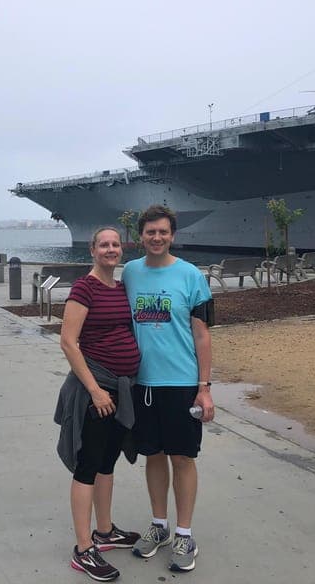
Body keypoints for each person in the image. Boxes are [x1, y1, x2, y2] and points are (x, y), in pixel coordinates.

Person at [121, 205, 214, 573]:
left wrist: (204, 387)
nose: (156, 238)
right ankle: (159, 526)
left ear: (172, 235)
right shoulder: (129, 273)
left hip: (181, 383)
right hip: (143, 383)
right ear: (140, 236)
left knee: (183, 458)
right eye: (149, 232)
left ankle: (185, 533)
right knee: (154, 456)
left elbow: (202, 334)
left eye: (162, 232)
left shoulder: (191, 276)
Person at [54, 227, 142, 582]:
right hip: (97, 391)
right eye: (103, 244)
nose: (110, 249)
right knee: (87, 466)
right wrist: (94, 390)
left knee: (108, 462)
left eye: (115, 244)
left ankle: (105, 531)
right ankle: (83, 547)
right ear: (92, 250)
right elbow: (68, 342)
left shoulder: (119, 287)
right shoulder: (84, 288)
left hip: (120, 390)